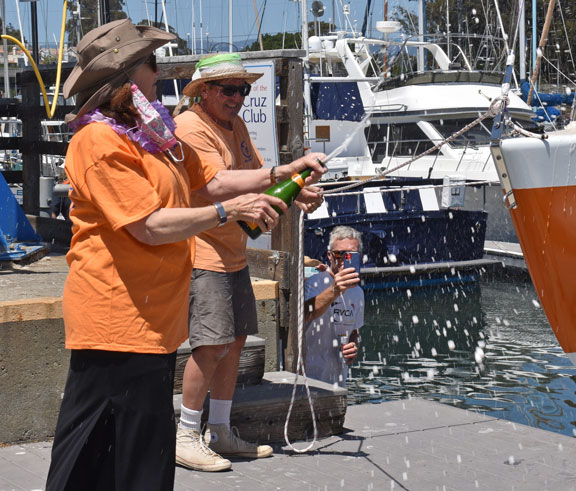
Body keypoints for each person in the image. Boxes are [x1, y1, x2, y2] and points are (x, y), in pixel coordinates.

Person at [45, 20, 324, 490]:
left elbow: (211, 181)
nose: (160, 71)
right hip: (113, 321)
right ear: (128, 76)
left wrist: (284, 176)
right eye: (153, 62)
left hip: (154, 320)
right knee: (94, 462)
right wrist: (228, 211)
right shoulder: (97, 140)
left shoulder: (155, 134)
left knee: (143, 461)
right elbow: (149, 225)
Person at [172, 53, 325, 472]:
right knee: (211, 345)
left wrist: (298, 192)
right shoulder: (189, 126)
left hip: (234, 252)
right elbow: (216, 183)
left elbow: (261, 177)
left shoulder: (235, 125)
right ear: (204, 91)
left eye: (244, 89)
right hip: (202, 250)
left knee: (236, 342)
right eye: (229, 89)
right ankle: (185, 434)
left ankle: (219, 429)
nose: (238, 97)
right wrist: (287, 169)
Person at [304, 226, 365, 388]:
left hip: (336, 382)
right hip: (305, 378)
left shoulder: (358, 292)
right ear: (330, 256)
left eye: (351, 255)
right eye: (340, 254)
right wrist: (335, 290)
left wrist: (353, 346)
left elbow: (354, 331)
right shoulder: (313, 282)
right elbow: (304, 315)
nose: (345, 260)